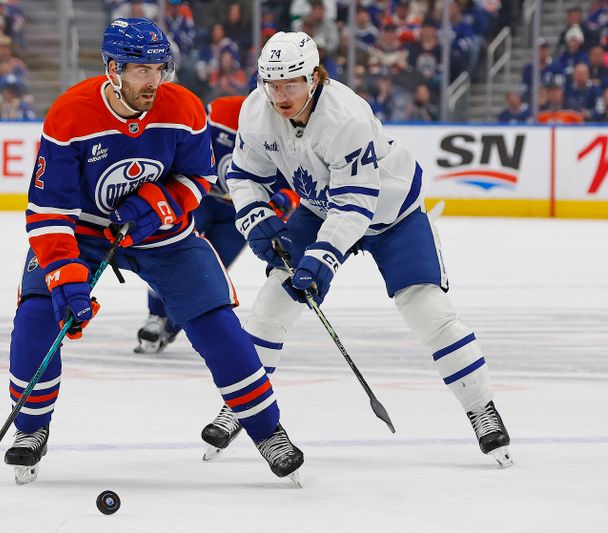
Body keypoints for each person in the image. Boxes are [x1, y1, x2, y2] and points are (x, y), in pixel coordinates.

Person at [3, 18, 304, 486]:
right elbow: (47, 212)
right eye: (141, 70)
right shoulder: (69, 115)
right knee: (38, 316)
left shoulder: (182, 107)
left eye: (160, 68)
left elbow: (198, 179)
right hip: (84, 232)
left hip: (162, 233)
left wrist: (157, 204)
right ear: (112, 69)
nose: (153, 80)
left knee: (216, 321)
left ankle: (268, 431)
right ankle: (30, 429)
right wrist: (64, 273)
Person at [199, 31, 513, 468]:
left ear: (314, 77)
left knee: (427, 310)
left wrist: (322, 258)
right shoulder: (256, 111)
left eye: (290, 83)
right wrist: (255, 216)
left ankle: (481, 406)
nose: (280, 95)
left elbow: (355, 205)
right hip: (319, 207)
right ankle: (242, 405)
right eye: (271, 84)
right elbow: (247, 175)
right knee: (271, 305)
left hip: (391, 213)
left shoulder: (346, 115)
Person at [135, 95, 300, 354]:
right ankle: (156, 316)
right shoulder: (221, 110)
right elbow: (186, 141)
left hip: (241, 215)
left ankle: (174, 325)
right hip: (200, 199)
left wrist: (281, 201)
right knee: (172, 254)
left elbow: (295, 185)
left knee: (208, 270)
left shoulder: (286, 127)